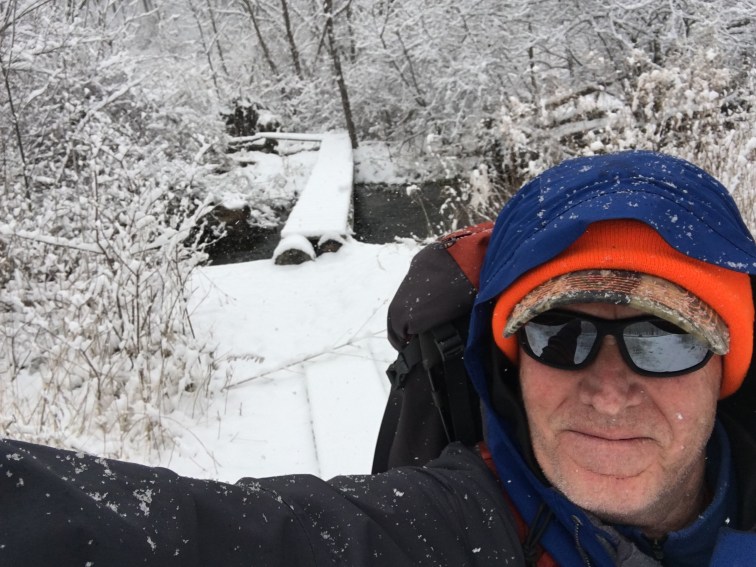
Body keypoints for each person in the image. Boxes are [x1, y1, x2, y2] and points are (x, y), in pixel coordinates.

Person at [2, 150, 755, 566]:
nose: (610, 392)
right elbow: (202, 538)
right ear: (513, 364)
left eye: (667, 337)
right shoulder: (446, 531)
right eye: (559, 335)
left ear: (726, 366)